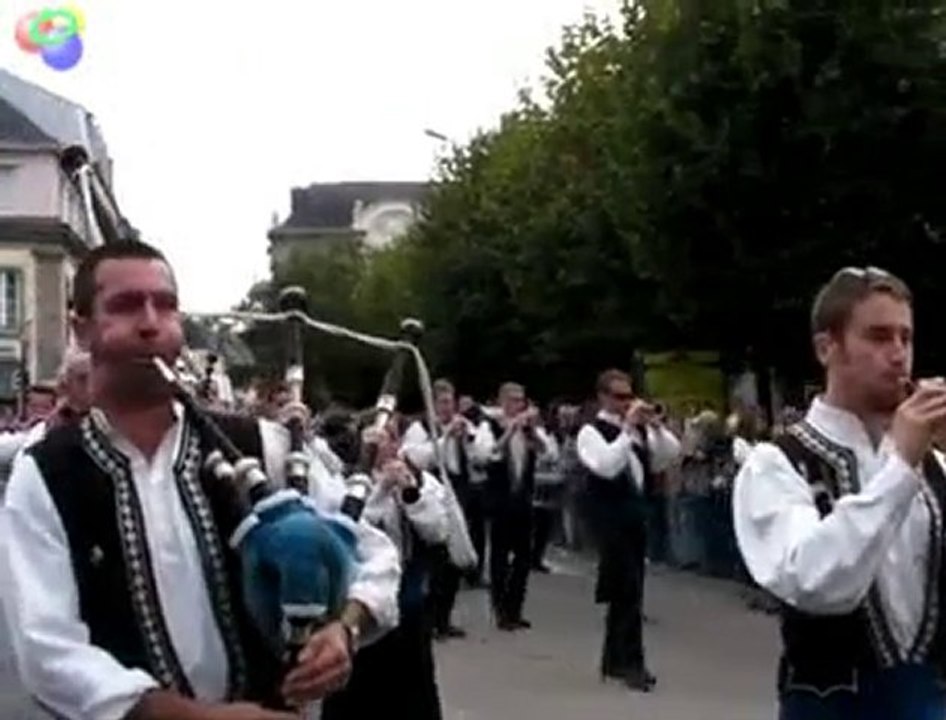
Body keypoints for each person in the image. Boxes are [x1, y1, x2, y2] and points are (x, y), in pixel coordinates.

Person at [0, 241, 401, 720]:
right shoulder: (46, 472)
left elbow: (369, 547)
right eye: (126, 306)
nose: (151, 323)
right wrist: (201, 718)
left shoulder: (260, 444)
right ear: (81, 328)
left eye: (165, 305)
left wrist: (345, 629)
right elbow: (47, 649)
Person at [734, 267, 946, 720]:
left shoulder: (932, 461)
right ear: (826, 348)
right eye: (878, 337)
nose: (898, 355)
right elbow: (816, 581)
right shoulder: (776, 464)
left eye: (906, 338)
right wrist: (901, 467)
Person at [322, 420, 448, 720]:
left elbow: (438, 531)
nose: (384, 445)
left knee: (415, 690)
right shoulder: (343, 481)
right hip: (363, 605)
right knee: (358, 693)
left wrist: (410, 492)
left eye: (391, 438)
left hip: (409, 604)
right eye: (376, 438)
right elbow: (349, 528)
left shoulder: (422, 479)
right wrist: (380, 489)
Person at [576, 369, 680, 692]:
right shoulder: (591, 432)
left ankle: (613, 660)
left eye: (629, 396)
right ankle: (632, 664)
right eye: (620, 397)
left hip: (636, 516)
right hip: (609, 518)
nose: (627, 402)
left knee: (627, 590)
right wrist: (626, 429)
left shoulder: (637, 432)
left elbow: (669, 455)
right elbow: (606, 466)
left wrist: (657, 427)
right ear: (603, 397)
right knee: (627, 589)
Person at [401, 379, 494, 639]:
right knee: (435, 562)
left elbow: (483, 456)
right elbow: (418, 458)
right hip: (432, 494)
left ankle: (444, 618)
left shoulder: (462, 424)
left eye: (450, 402)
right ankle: (429, 619)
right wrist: (445, 438)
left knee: (454, 562)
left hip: (459, 491)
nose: (447, 408)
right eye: (442, 402)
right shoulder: (419, 429)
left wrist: (469, 438)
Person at [483, 382, 557, 631]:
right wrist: (509, 430)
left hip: (523, 501)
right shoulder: (490, 426)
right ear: (502, 401)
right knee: (500, 557)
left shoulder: (528, 430)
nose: (518, 405)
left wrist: (532, 432)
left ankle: (515, 608)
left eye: (521, 400)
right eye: (513, 400)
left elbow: (548, 453)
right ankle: (500, 609)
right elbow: (488, 454)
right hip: (500, 501)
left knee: (523, 558)